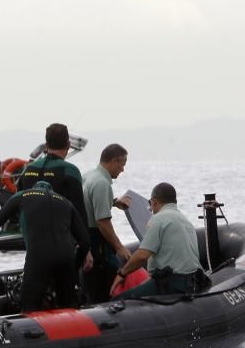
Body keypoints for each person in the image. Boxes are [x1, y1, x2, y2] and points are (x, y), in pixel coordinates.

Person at [0, 181, 90, 312]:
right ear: (52, 191)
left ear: (33, 189)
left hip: (39, 258)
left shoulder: (22, 196)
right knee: (69, 306)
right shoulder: (66, 202)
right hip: (66, 259)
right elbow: (84, 242)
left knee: (29, 306)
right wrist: (74, 267)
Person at [17, 123, 92, 272]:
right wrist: (87, 250)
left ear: (46, 145)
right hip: (62, 247)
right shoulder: (70, 171)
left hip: (33, 246)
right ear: (68, 144)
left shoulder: (28, 170)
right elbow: (79, 212)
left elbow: (17, 205)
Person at [113, 182, 205, 299]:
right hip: (192, 282)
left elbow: (142, 256)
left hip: (171, 284)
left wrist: (121, 274)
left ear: (154, 202)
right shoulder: (185, 221)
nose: (150, 209)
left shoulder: (158, 219)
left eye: (150, 205)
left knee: (118, 300)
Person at [82, 144, 133, 302]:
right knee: (105, 287)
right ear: (114, 161)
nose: (122, 170)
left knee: (90, 286)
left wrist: (114, 202)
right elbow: (103, 222)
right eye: (122, 165)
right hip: (97, 242)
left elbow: (89, 202)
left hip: (83, 236)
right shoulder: (102, 184)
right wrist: (120, 247)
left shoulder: (89, 176)